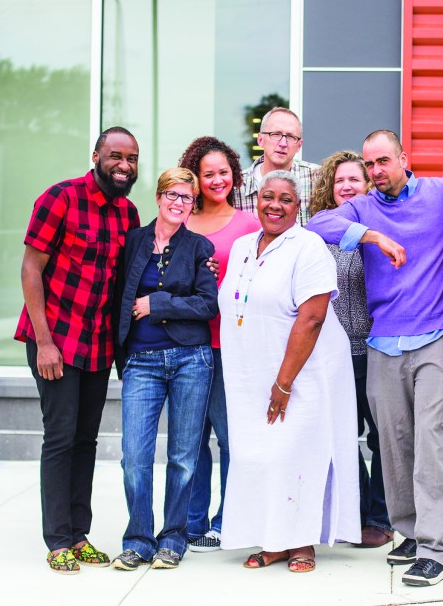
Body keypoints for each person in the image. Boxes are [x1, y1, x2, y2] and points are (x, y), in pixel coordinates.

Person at [306, 130, 443, 587]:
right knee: (394, 443)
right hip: (383, 341)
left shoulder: (436, 193)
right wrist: (371, 236)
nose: (375, 171)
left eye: (383, 161)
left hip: (435, 338)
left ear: (403, 158)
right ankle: (407, 532)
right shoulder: (362, 206)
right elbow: (317, 226)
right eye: (370, 165)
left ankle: (435, 548)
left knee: (432, 442)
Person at [219, 170, 360, 573]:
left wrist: (284, 382)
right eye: (268, 197)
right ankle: (271, 538)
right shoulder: (245, 245)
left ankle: (300, 542)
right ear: (256, 200)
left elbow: (312, 317)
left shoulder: (308, 246)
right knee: (258, 454)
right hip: (250, 374)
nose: (275, 205)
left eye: (285, 199)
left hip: (302, 373)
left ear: (298, 207)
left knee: (296, 452)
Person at [15, 126, 141, 574]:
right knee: (61, 435)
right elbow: (32, 269)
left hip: (96, 345)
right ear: (96, 156)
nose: (124, 165)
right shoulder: (61, 198)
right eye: (115, 156)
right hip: (55, 339)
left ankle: (80, 532)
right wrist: (44, 342)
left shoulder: (127, 213)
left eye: (132, 158)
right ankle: (57, 539)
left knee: (86, 439)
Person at [109, 167, 219, 571]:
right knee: (134, 456)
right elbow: (119, 295)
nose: (178, 203)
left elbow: (208, 305)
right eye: (172, 195)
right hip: (141, 362)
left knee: (184, 456)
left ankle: (173, 539)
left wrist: (157, 304)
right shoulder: (133, 241)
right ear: (158, 197)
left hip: (191, 360)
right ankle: (138, 540)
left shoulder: (199, 247)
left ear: (193, 204)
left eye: (187, 198)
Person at [176, 137, 260, 552]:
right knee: (192, 438)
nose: (217, 180)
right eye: (208, 173)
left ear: (235, 175)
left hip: (231, 345)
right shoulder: (179, 221)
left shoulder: (249, 224)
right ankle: (193, 523)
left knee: (230, 436)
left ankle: (230, 518)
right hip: (188, 344)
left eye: (223, 172)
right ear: (195, 177)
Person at [308, 150, 392, 549]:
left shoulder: (381, 226)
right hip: (332, 354)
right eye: (339, 180)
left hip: (376, 349)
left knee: (381, 437)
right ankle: (355, 512)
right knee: (341, 433)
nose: (346, 186)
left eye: (354, 180)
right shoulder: (316, 235)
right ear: (330, 186)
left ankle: (381, 516)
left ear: (367, 185)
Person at [234, 107, 319, 226]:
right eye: (275, 134)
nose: (283, 143)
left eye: (290, 137)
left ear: (299, 145)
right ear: (260, 140)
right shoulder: (236, 186)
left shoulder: (318, 179)